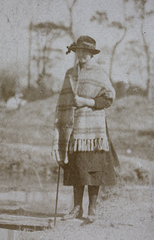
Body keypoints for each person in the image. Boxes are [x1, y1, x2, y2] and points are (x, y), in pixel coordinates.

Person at [54, 35, 119, 223]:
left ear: (92, 54)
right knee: (76, 167)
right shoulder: (69, 74)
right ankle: (77, 207)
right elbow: (63, 99)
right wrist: (61, 120)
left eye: (86, 52)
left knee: (93, 168)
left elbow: (109, 98)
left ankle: (92, 208)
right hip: (73, 128)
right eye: (79, 51)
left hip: (93, 129)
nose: (82, 55)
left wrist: (87, 101)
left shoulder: (99, 73)